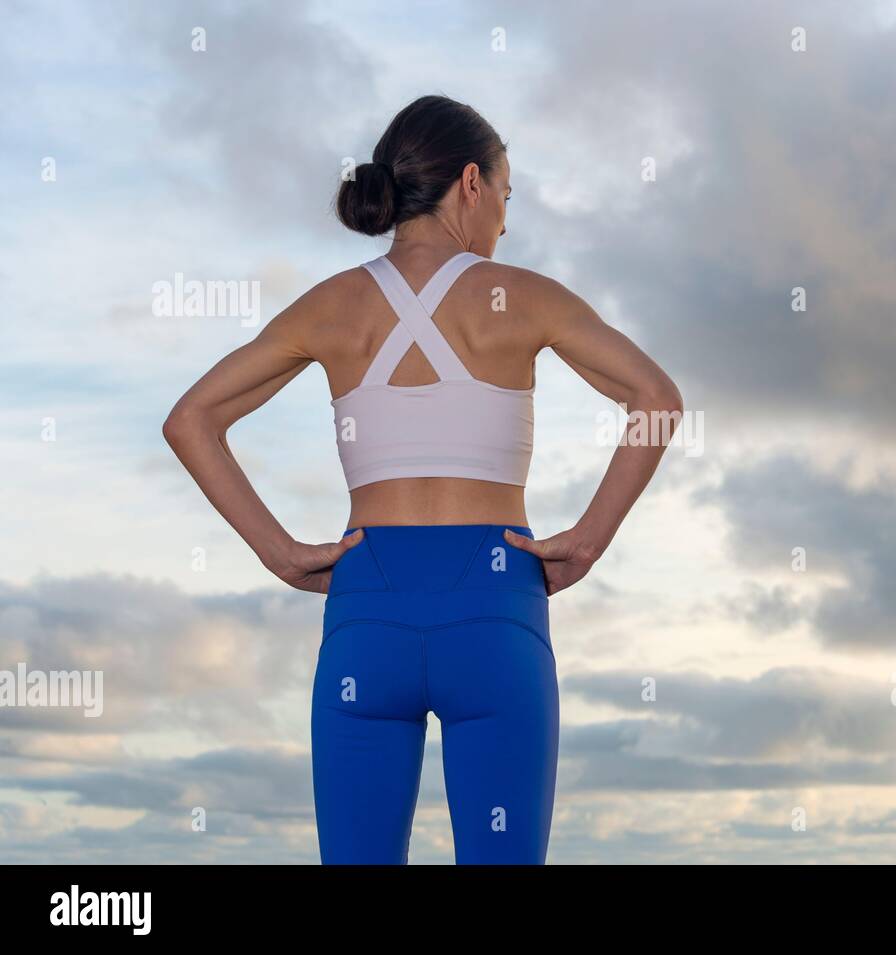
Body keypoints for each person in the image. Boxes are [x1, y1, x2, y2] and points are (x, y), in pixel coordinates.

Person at [161, 94, 683, 864]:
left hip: (365, 605)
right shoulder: (523, 297)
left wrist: (276, 550)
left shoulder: (331, 306)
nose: (506, 218)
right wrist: (590, 538)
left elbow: (191, 419)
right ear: (470, 184)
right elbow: (656, 399)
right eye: (507, 192)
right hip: (497, 600)